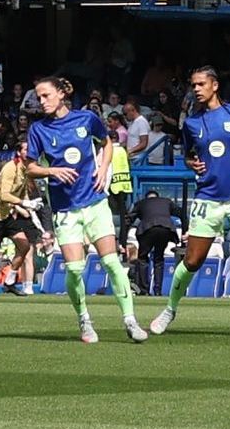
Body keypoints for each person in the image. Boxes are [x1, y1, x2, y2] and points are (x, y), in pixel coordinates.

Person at [15, 78, 138, 345]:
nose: (41, 101)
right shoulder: (38, 129)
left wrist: (103, 169)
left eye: (46, 95)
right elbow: (30, 168)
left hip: (95, 202)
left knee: (111, 262)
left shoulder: (86, 119)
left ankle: (130, 319)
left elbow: (106, 143)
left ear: (61, 94)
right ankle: (84, 319)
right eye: (38, 97)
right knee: (74, 269)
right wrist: (52, 171)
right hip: (65, 209)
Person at [167, 69, 230, 338]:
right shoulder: (192, 123)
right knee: (193, 260)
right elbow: (188, 156)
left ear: (215, 85)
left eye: (201, 84)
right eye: (193, 85)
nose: (196, 89)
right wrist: (191, 163)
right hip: (208, 197)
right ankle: (169, 310)